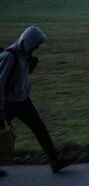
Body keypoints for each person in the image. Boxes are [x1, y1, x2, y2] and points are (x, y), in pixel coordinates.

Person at [0, 26, 74, 174]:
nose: (37, 47)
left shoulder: (25, 56)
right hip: (8, 104)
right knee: (2, 134)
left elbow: (20, 80)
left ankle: (55, 162)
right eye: (36, 44)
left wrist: (28, 68)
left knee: (40, 129)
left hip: (23, 101)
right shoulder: (9, 56)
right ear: (28, 41)